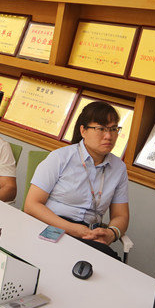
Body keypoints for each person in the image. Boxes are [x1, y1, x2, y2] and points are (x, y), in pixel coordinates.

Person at [24, 101, 128, 259]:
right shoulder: (60, 157)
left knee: (106, 263)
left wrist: (111, 233)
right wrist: (73, 230)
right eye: (101, 129)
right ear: (83, 130)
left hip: (89, 235)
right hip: (52, 226)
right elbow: (31, 205)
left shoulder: (118, 168)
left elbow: (121, 216)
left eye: (113, 129)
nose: (108, 136)